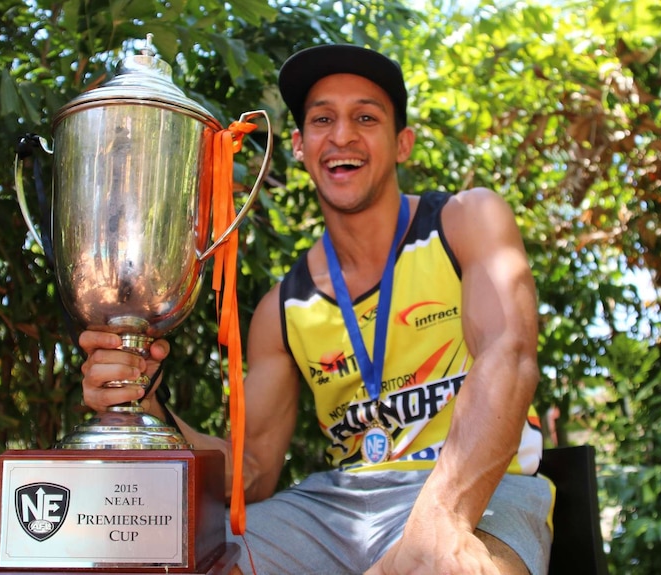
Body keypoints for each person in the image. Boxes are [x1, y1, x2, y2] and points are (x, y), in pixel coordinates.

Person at [80, 44, 553, 575]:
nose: (343, 135)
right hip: (336, 507)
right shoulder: (283, 306)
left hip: (477, 487)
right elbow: (252, 472)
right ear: (302, 147)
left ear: (402, 144)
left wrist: (439, 520)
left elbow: (508, 357)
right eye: (323, 118)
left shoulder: (466, 221)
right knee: (180, 557)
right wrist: (148, 404)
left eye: (366, 117)